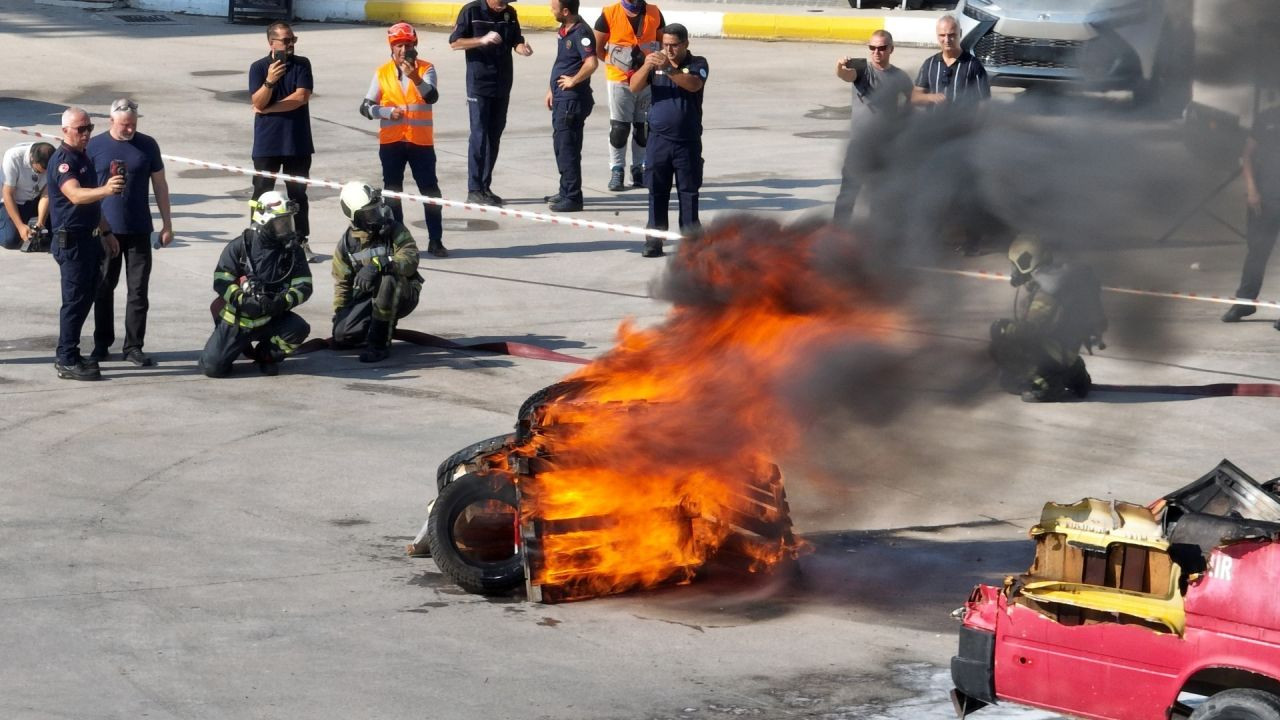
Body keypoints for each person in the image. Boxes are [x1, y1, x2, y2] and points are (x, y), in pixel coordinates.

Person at [86, 98, 174, 367]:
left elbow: (160, 185)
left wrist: (167, 224)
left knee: (138, 291)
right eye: (124, 125)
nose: (129, 130)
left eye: (133, 125)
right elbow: (84, 187)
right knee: (103, 287)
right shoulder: (95, 146)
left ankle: (134, 346)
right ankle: (102, 343)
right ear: (111, 121)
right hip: (105, 230)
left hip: (138, 229)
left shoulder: (147, 145)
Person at [46, 107, 126, 381]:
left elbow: (92, 204)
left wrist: (106, 232)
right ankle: (66, 358)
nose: (86, 134)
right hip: (72, 243)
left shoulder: (83, 158)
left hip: (89, 238)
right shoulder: (64, 161)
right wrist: (106, 189)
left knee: (85, 298)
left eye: (89, 128)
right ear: (65, 131)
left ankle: (70, 353)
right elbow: (76, 195)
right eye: (81, 129)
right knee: (75, 302)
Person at [199, 191, 312, 377]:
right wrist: (242, 300)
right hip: (238, 321)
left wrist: (282, 302)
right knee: (212, 369)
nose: (287, 228)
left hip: (271, 318)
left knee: (298, 329)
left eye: (288, 222)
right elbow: (221, 280)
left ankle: (266, 356)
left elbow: (304, 285)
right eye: (281, 223)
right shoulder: (240, 247)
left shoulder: (292, 252)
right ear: (264, 222)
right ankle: (231, 347)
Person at [360, 22, 447, 258]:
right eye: (399, 45)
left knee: (430, 191)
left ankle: (436, 240)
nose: (403, 50)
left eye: (408, 45)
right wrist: (385, 112)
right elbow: (365, 107)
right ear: (392, 47)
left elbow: (431, 97)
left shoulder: (427, 68)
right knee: (393, 193)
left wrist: (415, 77)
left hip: (421, 142)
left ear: (414, 46)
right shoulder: (382, 73)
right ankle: (399, 242)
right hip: (392, 142)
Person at [989, 236, 1107, 403]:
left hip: (1055, 353)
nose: (1013, 270)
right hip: (1069, 351)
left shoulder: (1047, 291)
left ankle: (1045, 384)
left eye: (1015, 264)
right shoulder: (1061, 280)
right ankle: (1075, 375)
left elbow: (1031, 329)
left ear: (1027, 261)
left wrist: (1005, 328)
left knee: (1003, 344)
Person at [629, 23, 706, 258]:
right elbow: (633, 87)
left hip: (687, 141)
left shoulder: (697, 63)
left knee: (689, 192)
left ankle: (691, 241)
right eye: (666, 45)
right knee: (657, 190)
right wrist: (647, 65)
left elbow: (694, 84)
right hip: (659, 141)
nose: (669, 50)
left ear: (685, 44)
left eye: (674, 45)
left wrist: (670, 70)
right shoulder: (656, 62)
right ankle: (654, 239)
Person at [449, 0, 533, 206]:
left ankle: (485, 187)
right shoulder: (471, 11)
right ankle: (474, 188)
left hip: (502, 83)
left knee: (494, 135)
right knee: (479, 135)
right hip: (479, 83)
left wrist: (522, 48)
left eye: (507, 2)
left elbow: (516, 40)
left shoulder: (510, 13)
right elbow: (455, 43)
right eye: (501, 1)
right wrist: (482, 40)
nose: (503, 5)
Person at [249, 21, 319, 263]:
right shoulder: (258, 68)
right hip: (267, 143)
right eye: (286, 41)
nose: (290, 45)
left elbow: (301, 97)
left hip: (297, 142)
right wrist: (269, 81)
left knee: (297, 195)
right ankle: (256, 239)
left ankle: (301, 240)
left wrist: (268, 109)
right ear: (272, 43)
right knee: (261, 192)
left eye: (293, 40)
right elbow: (257, 100)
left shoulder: (302, 64)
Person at [332, 182, 424, 363]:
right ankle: (376, 325)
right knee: (343, 335)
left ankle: (379, 343)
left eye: (376, 210)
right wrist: (340, 315)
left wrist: (383, 263)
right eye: (369, 213)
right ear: (355, 216)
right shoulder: (345, 246)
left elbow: (411, 258)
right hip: (369, 297)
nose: (377, 216)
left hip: (403, 293)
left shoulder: (394, 230)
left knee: (388, 279)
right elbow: (342, 284)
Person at [833, 30, 913, 225]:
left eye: (882, 48)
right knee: (848, 195)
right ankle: (836, 236)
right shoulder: (862, 70)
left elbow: (911, 103)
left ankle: (876, 239)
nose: (876, 52)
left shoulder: (899, 77)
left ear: (891, 49)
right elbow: (845, 74)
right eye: (872, 48)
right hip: (859, 148)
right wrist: (840, 65)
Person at [593, 0, 664, 191]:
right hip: (619, 79)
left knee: (643, 127)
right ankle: (617, 170)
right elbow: (598, 48)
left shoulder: (654, 12)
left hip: (646, 79)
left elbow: (662, 42)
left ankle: (638, 169)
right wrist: (619, 63)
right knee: (619, 128)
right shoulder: (609, 14)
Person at [1222, 103, 1280, 324]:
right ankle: (1244, 303)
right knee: (1257, 252)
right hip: (1264, 199)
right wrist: (1251, 189)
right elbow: (1247, 155)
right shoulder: (1267, 118)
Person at [545, 0, 598, 213]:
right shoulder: (566, 29)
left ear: (566, 11)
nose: (551, 10)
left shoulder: (580, 32)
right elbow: (563, 62)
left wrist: (573, 81)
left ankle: (573, 197)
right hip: (561, 98)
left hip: (572, 101)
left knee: (568, 148)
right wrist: (552, 89)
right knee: (561, 145)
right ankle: (565, 189)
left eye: (554, 7)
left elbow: (591, 63)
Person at [911, 15, 990, 110]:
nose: (947, 40)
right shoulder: (930, 64)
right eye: (942, 35)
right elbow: (915, 97)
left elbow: (985, 101)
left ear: (960, 34)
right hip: (933, 123)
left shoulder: (973, 65)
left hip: (962, 123)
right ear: (937, 35)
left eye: (952, 35)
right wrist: (930, 97)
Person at [1, 141, 53, 250]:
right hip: (14, 202)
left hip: (36, 200)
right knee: (10, 241)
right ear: (32, 159)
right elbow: (7, 194)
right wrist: (20, 227)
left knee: (54, 233)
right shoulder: (13, 157)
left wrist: (40, 222)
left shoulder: (54, 159)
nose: (41, 174)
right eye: (38, 171)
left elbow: (46, 194)